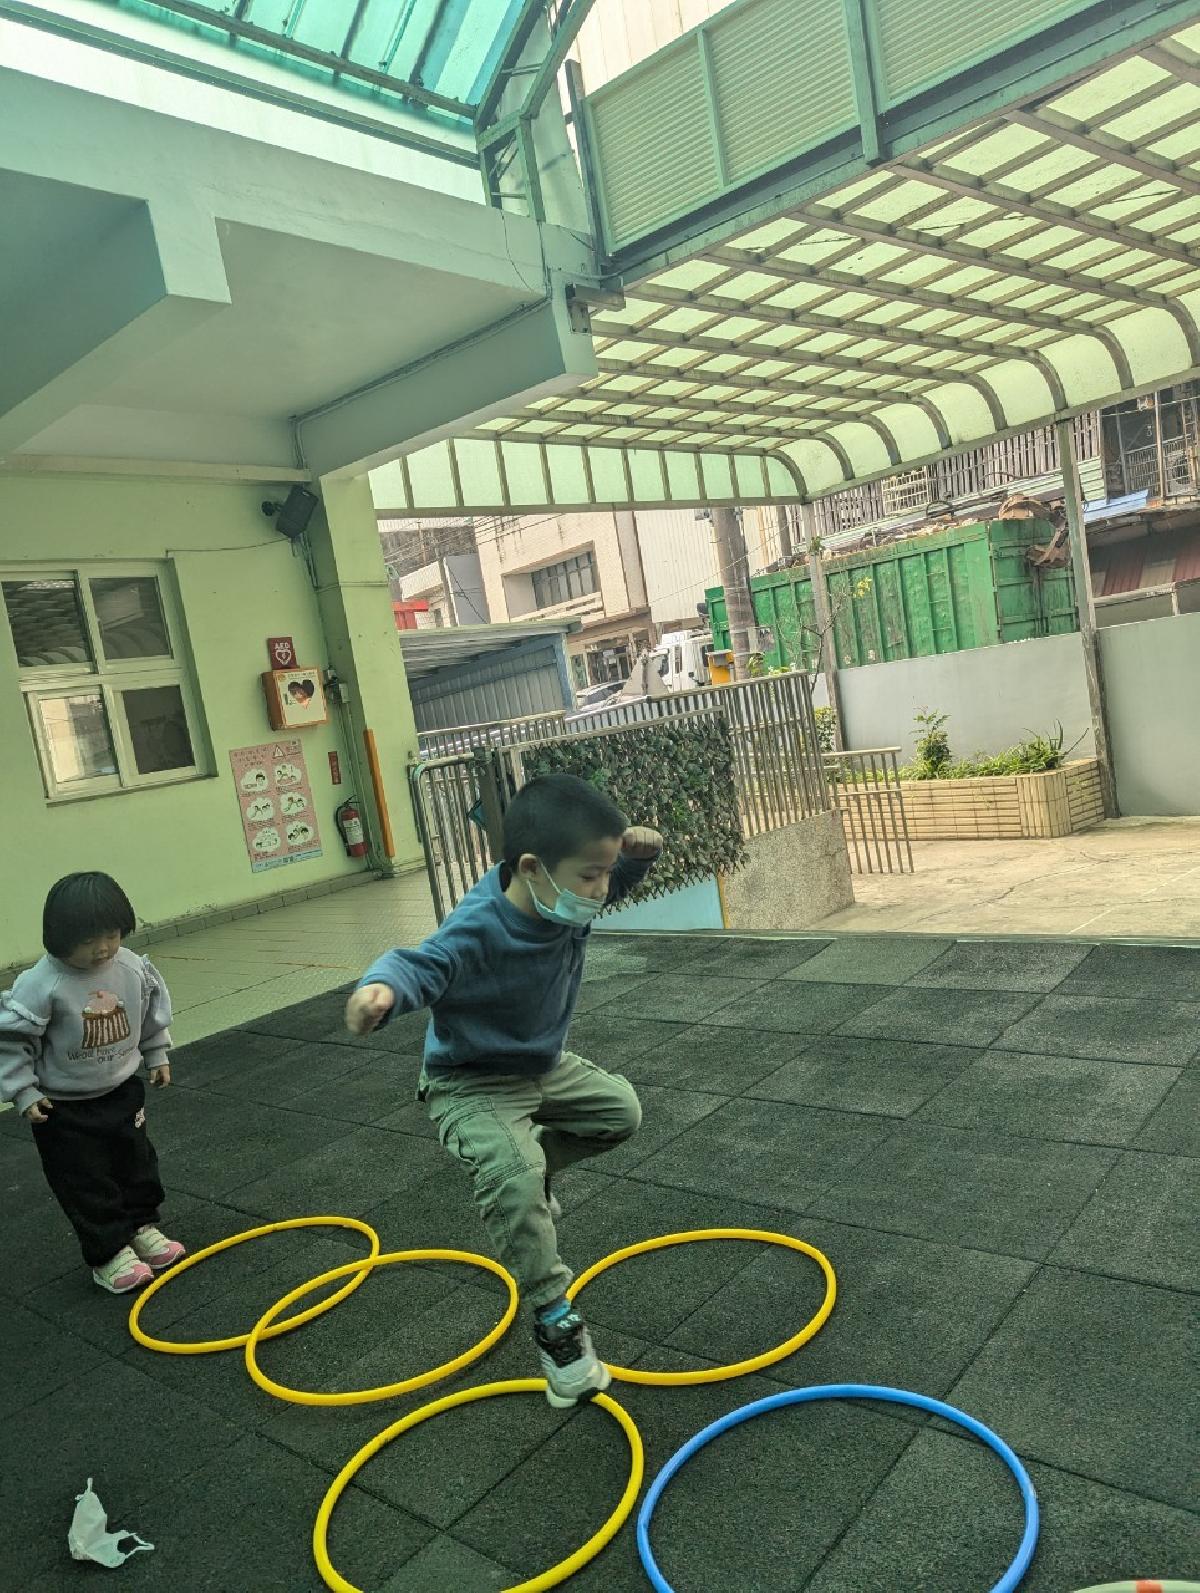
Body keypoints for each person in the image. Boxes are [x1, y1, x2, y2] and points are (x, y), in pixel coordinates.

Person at [347, 773, 661, 1406]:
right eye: (590, 876)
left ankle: (539, 1165)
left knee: (619, 1113)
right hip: (469, 1083)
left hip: (540, 1066)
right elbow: (418, 962)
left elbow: (612, 875)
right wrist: (378, 991)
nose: (600, 892)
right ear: (530, 868)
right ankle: (553, 1323)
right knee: (515, 1181)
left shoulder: (561, 895)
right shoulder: (479, 926)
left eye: (604, 875)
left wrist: (639, 856)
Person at [0, 872, 185, 1294]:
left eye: (112, 934)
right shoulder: (40, 984)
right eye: (88, 941)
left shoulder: (131, 967)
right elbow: (13, 1041)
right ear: (58, 937)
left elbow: (150, 1012)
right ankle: (108, 1252)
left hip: (121, 1090)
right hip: (64, 1107)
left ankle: (139, 1226)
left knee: (135, 1163)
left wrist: (156, 1054)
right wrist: (23, 1090)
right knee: (84, 1178)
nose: (102, 948)